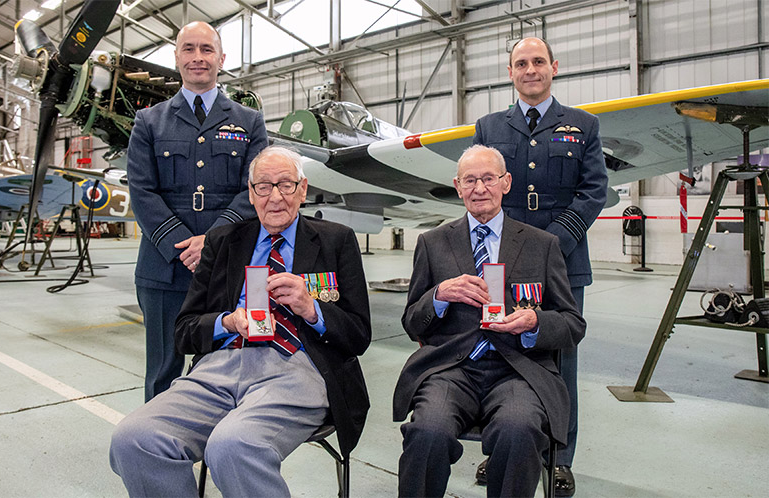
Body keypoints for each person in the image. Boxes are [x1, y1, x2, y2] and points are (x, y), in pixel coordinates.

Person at [110, 146, 371, 496]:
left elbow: (358, 335)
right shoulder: (224, 241)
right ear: (251, 193)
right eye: (263, 186)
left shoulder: (336, 240)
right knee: (133, 439)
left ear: (303, 189)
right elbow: (184, 330)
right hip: (220, 367)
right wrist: (228, 322)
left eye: (286, 185)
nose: (275, 197)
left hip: (298, 369)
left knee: (233, 446)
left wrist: (312, 309)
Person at [393, 145, 585, 498]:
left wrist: (534, 322)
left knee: (519, 430)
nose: (479, 188)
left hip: (519, 370)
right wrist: (439, 296)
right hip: (451, 369)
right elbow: (411, 322)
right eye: (469, 180)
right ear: (457, 186)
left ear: (506, 183)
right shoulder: (432, 243)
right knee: (428, 432)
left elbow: (573, 324)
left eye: (488, 179)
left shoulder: (541, 244)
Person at [472, 36, 608, 496]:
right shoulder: (489, 126)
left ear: (554, 66)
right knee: (497, 352)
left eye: (537, 62)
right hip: (500, 261)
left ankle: (559, 458)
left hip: (563, 262)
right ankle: (500, 449)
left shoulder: (583, 126)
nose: (530, 70)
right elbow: (481, 190)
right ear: (510, 72)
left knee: (561, 360)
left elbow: (594, 192)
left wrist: (556, 241)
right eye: (520, 63)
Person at [128, 21, 268, 401]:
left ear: (222, 59)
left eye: (206, 50)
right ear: (177, 58)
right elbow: (142, 191)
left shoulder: (249, 122)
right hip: (165, 269)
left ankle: (216, 454)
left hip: (228, 265)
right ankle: (158, 454)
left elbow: (255, 189)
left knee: (224, 371)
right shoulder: (148, 122)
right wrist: (182, 245)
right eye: (188, 49)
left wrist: (212, 242)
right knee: (162, 371)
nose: (197, 58)